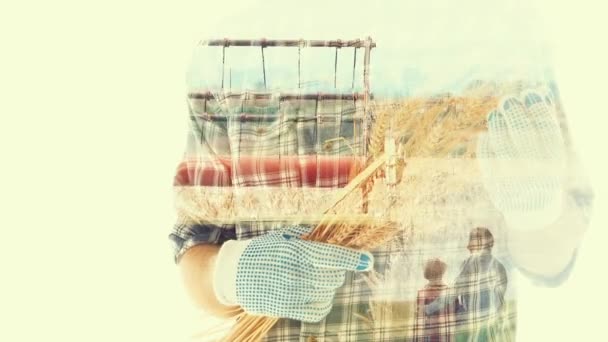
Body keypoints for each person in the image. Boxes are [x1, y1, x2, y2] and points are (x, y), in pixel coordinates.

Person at [425, 228, 508, 341]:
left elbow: (454, 292)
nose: (467, 245)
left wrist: (429, 308)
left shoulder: (470, 263)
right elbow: (499, 299)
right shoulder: (500, 267)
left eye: (470, 240)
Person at [413, 258, 453, 342]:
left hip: (429, 334)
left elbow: (418, 317)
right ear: (442, 273)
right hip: (445, 334)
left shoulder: (422, 292)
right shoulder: (449, 291)